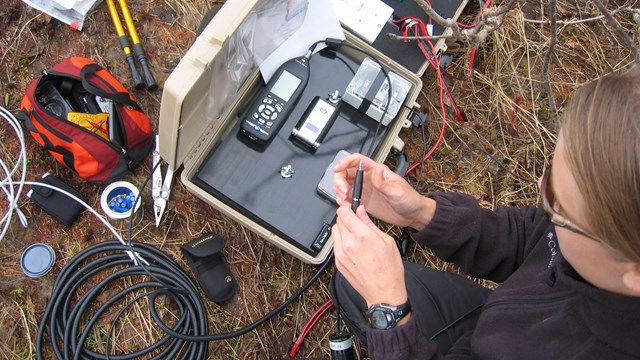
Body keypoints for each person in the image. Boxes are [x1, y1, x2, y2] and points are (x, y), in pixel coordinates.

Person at [329, 66, 640, 359]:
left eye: (555, 201)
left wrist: (390, 315)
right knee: (349, 282)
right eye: (552, 172)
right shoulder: (603, 242)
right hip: (499, 323)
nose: (542, 186)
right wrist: (422, 213)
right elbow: (531, 238)